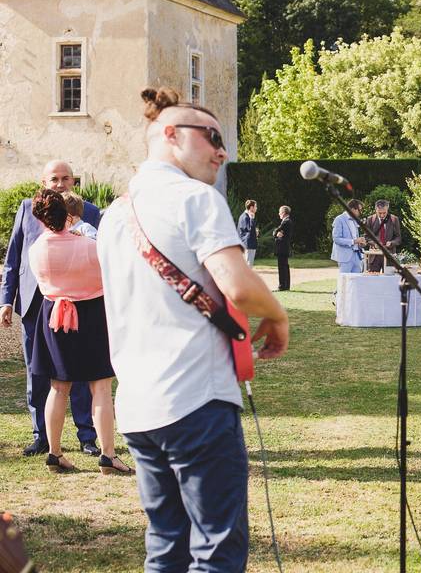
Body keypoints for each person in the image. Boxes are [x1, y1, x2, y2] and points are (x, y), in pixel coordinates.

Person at [97, 86, 289, 569]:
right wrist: (279, 314)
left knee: (166, 546)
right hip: (196, 399)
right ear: (171, 135)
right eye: (211, 136)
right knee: (216, 550)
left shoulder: (116, 214)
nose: (222, 151)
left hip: (139, 408)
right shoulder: (194, 198)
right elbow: (239, 287)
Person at [27, 189, 131, 475]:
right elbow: (110, 274)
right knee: (100, 387)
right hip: (92, 314)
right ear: (68, 214)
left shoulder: (36, 250)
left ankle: (54, 452)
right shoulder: (88, 246)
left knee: (58, 387)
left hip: (55, 317)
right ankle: (108, 456)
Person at [1, 160, 99, 458]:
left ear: (74, 182)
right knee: (37, 372)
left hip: (80, 304)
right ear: (43, 182)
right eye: (53, 179)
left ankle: (87, 437)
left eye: (65, 178)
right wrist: (6, 300)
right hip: (35, 304)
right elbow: (13, 259)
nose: (59, 183)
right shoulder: (27, 209)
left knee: (82, 372)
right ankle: (40, 435)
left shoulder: (90, 212)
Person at [364, 200, 401, 273]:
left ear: (387, 209)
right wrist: (374, 244)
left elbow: (398, 238)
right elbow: (366, 237)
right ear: (376, 210)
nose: (382, 215)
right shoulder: (370, 219)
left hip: (389, 255)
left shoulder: (394, 219)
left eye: (384, 213)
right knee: (372, 280)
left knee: (389, 280)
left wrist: (392, 243)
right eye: (379, 213)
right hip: (374, 257)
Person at [331, 199, 365, 274]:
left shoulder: (355, 220)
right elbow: (336, 239)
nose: (360, 212)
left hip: (357, 256)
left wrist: (360, 244)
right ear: (352, 209)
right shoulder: (339, 219)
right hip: (345, 257)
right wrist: (354, 241)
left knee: (356, 282)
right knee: (344, 282)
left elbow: (355, 237)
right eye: (359, 210)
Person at [274, 205, 293, 291]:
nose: (279, 214)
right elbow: (277, 232)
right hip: (284, 248)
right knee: (285, 266)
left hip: (282, 248)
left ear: (284, 213)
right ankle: (286, 285)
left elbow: (276, 231)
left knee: (282, 267)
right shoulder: (287, 221)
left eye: (280, 212)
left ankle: (282, 286)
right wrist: (277, 233)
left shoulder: (286, 222)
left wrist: (276, 233)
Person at [236, 200, 258, 266]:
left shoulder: (242, 216)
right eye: (255, 206)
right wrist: (252, 219)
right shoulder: (246, 217)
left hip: (244, 243)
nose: (256, 208)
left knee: (245, 264)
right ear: (251, 207)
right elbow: (250, 229)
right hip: (249, 244)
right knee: (248, 265)